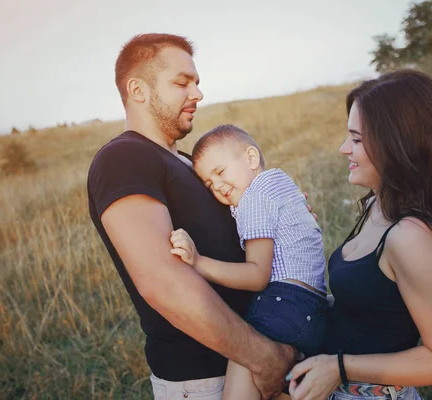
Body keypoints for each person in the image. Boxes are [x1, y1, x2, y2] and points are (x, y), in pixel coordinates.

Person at [286, 69, 432, 400]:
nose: (343, 148)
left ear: (398, 145)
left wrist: (338, 367)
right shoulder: (377, 204)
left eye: (356, 139)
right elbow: (370, 304)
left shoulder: (411, 238)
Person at [87, 34, 298, 400]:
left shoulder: (186, 161)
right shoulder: (124, 158)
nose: (197, 94)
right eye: (182, 82)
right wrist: (263, 357)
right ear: (138, 90)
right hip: (208, 380)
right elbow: (163, 282)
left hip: (252, 364)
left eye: (196, 83)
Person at [169, 124, 329, 399]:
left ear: (251, 158)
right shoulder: (279, 183)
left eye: (220, 172)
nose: (217, 185)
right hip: (313, 310)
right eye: (209, 184)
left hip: (282, 305)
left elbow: (257, 276)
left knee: (243, 368)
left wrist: (198, 262)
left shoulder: (255, 197)